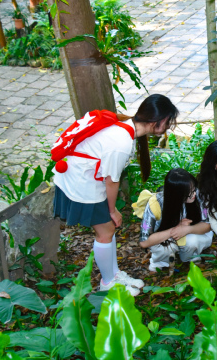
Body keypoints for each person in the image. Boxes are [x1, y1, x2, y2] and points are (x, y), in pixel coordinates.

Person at [53, 94, 178, 296]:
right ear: (158, 121)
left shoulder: (125, 127)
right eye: (168, 122)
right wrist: (112, 210)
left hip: (85, 176)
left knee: (108, 230)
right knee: (105, 232)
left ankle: (113, 275)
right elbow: (112, 181)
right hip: (80, 181)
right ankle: (108, 282)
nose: (169, 126)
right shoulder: (122, 143)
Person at [138, 168, 214, 272]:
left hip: (191, 233)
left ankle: (190, 257)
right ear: (176, 195)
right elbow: (144, 242)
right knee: (166, 248)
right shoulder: (156, 204)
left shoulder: (198, 195)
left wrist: (187, 229)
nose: (194, 194)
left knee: (193, 241)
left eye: (194, 189)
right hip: (164, 237)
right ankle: (160, 263)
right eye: (189, 193)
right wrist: (175, 230)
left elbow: (208, 225)